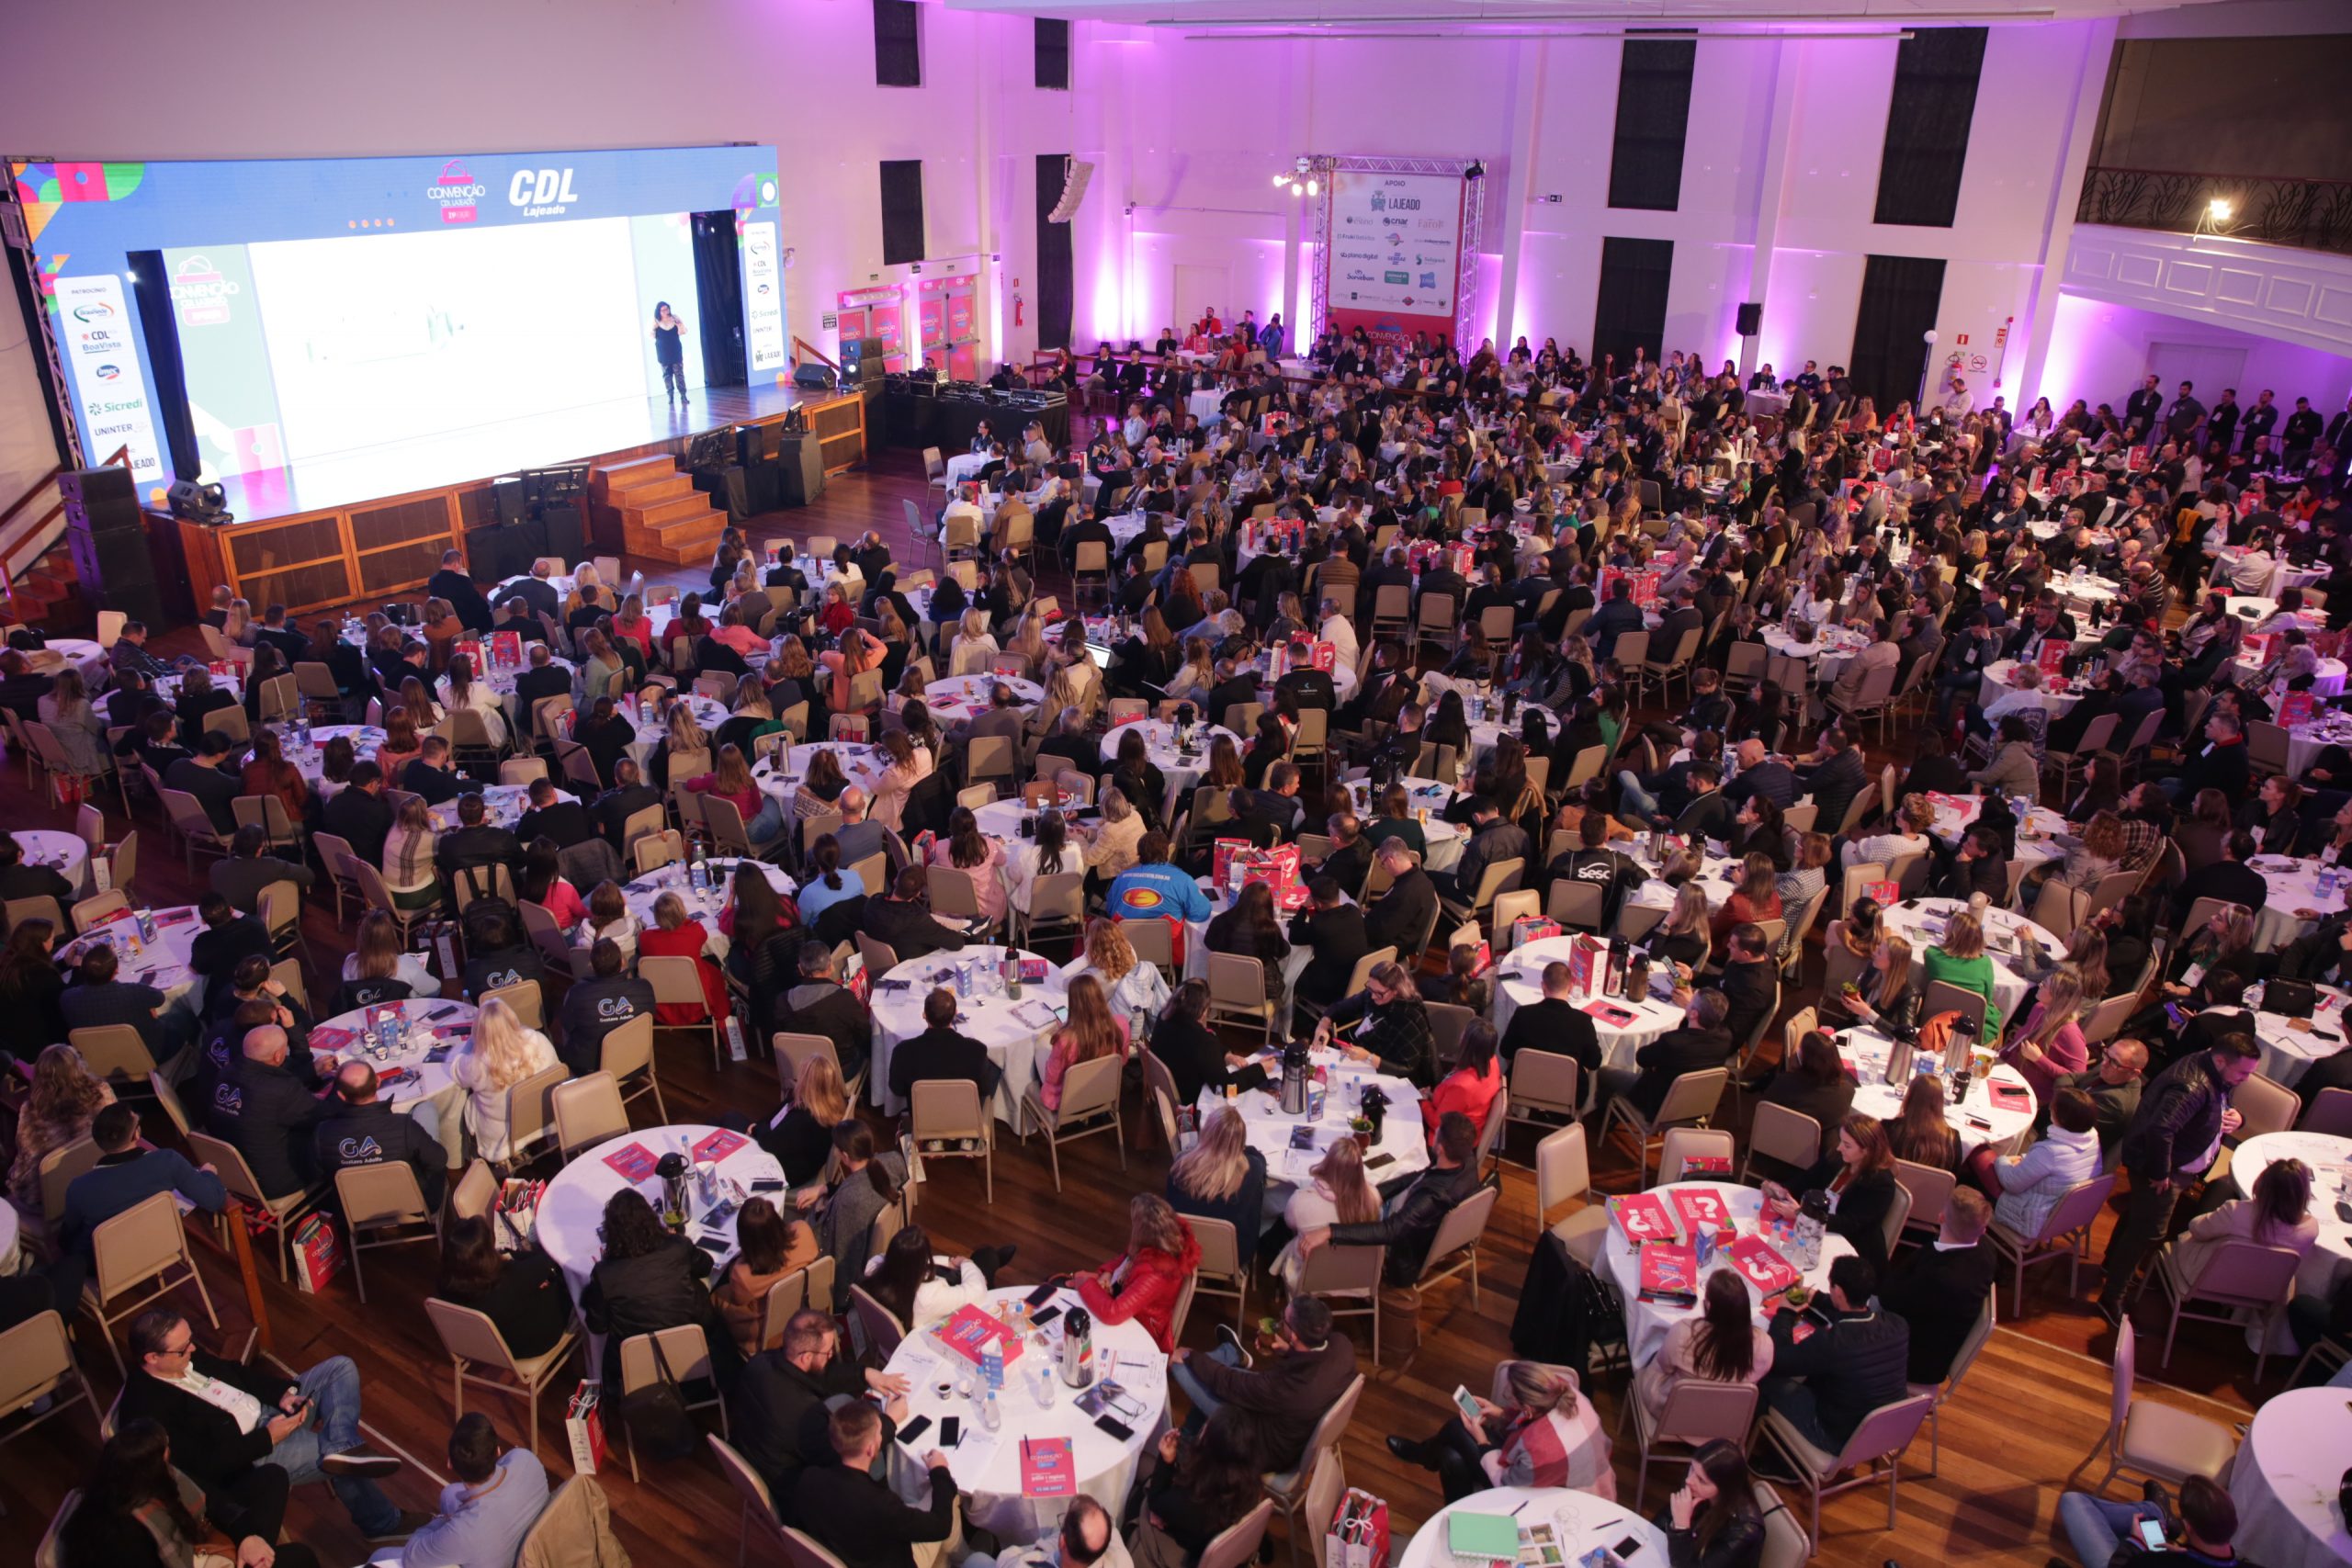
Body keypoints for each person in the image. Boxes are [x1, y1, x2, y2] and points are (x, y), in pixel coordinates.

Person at [117, 1309, 416, 1544]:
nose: (193, 1348)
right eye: (183, 1348)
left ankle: (342, 1443)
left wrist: (282, 1394)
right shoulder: (147, 1412)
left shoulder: (184, 1355)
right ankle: (382, 1523)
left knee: (340, 1367)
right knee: (332, 1457)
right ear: (152, 1358)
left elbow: (236, 1373)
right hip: (253, 1452)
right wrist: (268, 1438)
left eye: (191, 1340)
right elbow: (203, 1466)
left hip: (267, 1413)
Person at [2096, 1033, 2262, 1322]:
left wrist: (2239, 1118)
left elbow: (2219, 1103)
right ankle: (2112, 1297)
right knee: (2148, 1233)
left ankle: (2112, 1265)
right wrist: (2161, 1173)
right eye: (2243, 1072)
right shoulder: (2193, 1086)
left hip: (2165, 1165)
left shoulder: (2212, 1068)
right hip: (2161, 1171)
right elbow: (2161, 1130)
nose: (2246, 1079)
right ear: (2221, 1060)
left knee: (2138, 1216)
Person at [58, 1416, 324, 1568]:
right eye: (166, 1453)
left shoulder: (124, 1480)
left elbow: (212, 1498)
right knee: (300, 1557)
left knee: (272, 1477)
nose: (170, 1455)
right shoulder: (125, 1537)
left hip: (193, 1548)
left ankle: (257, 1556)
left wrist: (247, 1538)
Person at [1165, 1294, 1356, 1475]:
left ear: (1295, 1336)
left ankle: (1230, 1354)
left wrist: (1190, 1356)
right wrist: (1289, 1351)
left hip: (1263, 1447)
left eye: (1283, 1320)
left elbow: (1230, 1383)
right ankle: (1230, 1354)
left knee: (1182, 1368)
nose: (1279, 1324)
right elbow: (1311, 1365)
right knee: (1208, 1376)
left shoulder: (1287, 1387)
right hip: (1294, 1426)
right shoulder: (1343, 1346)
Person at [1385, 1360, 1614, 1504]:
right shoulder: (1563, 1390)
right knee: (1450, 1457)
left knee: (1454, 1435)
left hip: (1557, 1500)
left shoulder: (1538, 1450)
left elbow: (1507, 1484)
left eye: (1509, 1396)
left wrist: (1482, 1440)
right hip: (1566, 1474)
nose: (1506, 1397)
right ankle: (1429, 1458)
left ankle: (1425, 1456)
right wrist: (1501, 1412)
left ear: (1527, 1408)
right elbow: (1536, 1419)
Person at [1298, 1110, 1484, 1285]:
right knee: (1383, 1177)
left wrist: (1330, 1231)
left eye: (1437, 1132)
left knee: (1338, 1208)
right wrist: (1376, 1193)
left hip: (1402, 1259)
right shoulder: (1466, 1159)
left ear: (1440, 1148)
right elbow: (1420, 1176)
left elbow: (1390, 1230)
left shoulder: (1431, 1198)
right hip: (1419, 1225)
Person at [581, 1187, 737, 1391]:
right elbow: (706, 1266)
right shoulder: (677, 1247)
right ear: (651, 1220)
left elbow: (597, 1326)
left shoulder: (604, 1273)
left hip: (639, 1368)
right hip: (693, 1354)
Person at [1756, 1254, 1909, 1457]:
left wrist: (1785, 1313)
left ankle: (1773, 1456)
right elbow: (1854, 1316)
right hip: (1885, 1430)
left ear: (1838, 1291)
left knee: (1764, 1375)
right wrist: (1818, 1298)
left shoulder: (1834, 1343)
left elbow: (1778, 1359)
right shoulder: (1898, 1325)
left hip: (1835, 1437)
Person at [795, 1401, 959, 1568]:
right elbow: (941, 1526)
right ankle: (963, 1557)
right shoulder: (881, 1504)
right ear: (871, 1448)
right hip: (895, 1561)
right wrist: (939, 1470)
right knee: (947, 1490)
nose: (882, 1436)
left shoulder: (808, 1478)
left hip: (850, 1552)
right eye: (880, 1433)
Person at [61, 1101, 229, 1264]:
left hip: (105, 1266)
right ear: (136, 1134)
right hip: (159, 1249)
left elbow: (68, 1235)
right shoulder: (167, 1161)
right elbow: (214, 1199)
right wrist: (208, 1173)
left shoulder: (78, 1188)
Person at [1878, 1187, 1994, 1384]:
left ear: (1941, 1218)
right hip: (1932, 1337)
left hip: (1912, 1360)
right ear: (1982, 1230)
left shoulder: (1939, 1278)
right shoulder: (1987, 1250)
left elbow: (1887, 1299)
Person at [1764, 1111, 1902, 1275]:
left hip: (1851, 1249)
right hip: (1817, 1231)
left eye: (1847, 1145)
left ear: (1867, 1150)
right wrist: (1783, 1189)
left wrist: (1802, 1215)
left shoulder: (1880, 1183)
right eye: (1841, 1141)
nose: (1839, 1147)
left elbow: (1850, 1223)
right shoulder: (1838, 1157)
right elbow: (1808, 1178)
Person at [1635, 1269, 1774, 1424]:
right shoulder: (1765, 1344)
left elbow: (1664, 1366)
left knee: (1651, 1353)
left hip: (1674, 1414)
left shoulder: (1683, 1333)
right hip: (1725, 1420)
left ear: (1708, 1305)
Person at [2160, 1153, 2317, 1290]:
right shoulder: (2310, 1229)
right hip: (2261, 1287)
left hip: (2209, 1278)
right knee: (2222, 1191)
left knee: (2219, 1189)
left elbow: (2197, 1229)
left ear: (2263, 1185)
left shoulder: (2237, 1212)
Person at [313, 1060, 447, 1210]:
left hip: (356, 1208)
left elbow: (320, 1174)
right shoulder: (404, 1126)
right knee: (426, 1110)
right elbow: (439, 1161)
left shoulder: (322, 1133)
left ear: (341, 1096)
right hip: (415, 1204)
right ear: (378, 1081)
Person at [1074, 1192, 1200, 1351]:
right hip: (1127, 1308)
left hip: (1141, 1331)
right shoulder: (1159, 1242)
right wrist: (1108, 1273)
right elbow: (1126, 1257)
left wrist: (1085, 1283)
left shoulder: (1157, 1273)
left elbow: (1113, 1313)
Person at [435, 1216, 574, 1359]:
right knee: (562, 1279)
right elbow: (549, 1259)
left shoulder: (445, 1284)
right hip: (534, 1343)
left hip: (493, 1346)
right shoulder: (513, 1279)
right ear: (486, 1256)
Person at [805, 1121, 910, 1309]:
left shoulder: (850, 1200)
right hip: (886, 1247)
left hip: (836, 1262)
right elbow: (869, 1185)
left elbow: (843, 1258)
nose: (835, 1154)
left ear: (845, 1156)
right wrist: (827, 1189)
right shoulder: (894, 1160)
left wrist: (819, 1209)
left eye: (837, 1150)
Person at [450, 997, 560, 1166]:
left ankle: (470, 1160)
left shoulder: (476, 1064)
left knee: (467, 1102)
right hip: (542, 1113)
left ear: (479, 1031)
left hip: (503, 1129)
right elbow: (556, 1070)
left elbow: (456, 1071)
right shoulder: (538, 1040)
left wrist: (473, 1042)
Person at [710, 1195, 821, 1358]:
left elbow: (739, 1300)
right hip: (806, 1303)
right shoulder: (803, 1230)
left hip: (772, 1327)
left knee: (716, 1295)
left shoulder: (742, 1274)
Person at [2055, 1472, 2242, 1568]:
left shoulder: (2153, 1563)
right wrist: (2186, 1554)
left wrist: (2135, 1543)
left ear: (2188, 1526)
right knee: (2148, 1527)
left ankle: (2157, 1511)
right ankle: (2157, 1511)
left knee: (2073, 1501)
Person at [861, 1224, 1014, 1333]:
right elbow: (978, 1291)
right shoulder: (926, 1298)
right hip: (938, 1330)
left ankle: (992, 1260)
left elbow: (907, 1262)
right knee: (985, 1261)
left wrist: (950, 1261)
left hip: (886, 1342)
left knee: (981, 1261)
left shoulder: (873, 1268)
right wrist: (966, 1262)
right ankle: (993, 1261)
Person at [1166, 1104, 1269, 1259]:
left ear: (1205, 1133)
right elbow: (1259, 1158)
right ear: (1240, 1142)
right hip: (1232, 1255)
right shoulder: (1252, 1169)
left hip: (1184, 1247)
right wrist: (1239, 1147)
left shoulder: (1180, 1166)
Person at [1313, 960, 1436, 1089]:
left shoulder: (1409, 1019)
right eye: (1370, 989)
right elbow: (1340, 1007)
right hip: (1362, 1060)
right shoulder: (1373, 994)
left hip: (1392, 1079)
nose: (1372, 997)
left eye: (1379, 993)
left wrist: (1368, 1057)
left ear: (1395, 991)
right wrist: (1323, 1025)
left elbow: (1407, 1068)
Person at [1656, 1441, 1767, 1568]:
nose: (1689, 1480)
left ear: (1724, 1486)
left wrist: (1681, 1526)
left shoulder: (1745, 1530)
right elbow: (1665, 1517)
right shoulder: (1697, 1480)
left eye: (1701, 1480)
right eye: (1692, 1468)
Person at [887, 987, 1003, 1106]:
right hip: (965, 1114)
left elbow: (897, 1089)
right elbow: (985, 1089)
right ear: (955, 1014)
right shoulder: (977, 1051)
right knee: (996, 1067)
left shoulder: (903, 1051)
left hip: (923, 1115)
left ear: (924, 1015)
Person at [1498, 959, 1601, 1074]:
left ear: (1543, 986)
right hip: (1566, 1085)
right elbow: (1594, 1062)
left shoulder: (1523, 1014)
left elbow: (1505, 1051)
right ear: (1571, 987)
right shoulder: (1583, 1022)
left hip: (1524, 1082)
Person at [1429, 1020, 1505, 1149]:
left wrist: (1423, 1102)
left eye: (1464, 1034)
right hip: (1466, 1130)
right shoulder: (1491, 1062)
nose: (1461, 1035)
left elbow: (1439, 1124)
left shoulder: (1462, 1086)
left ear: (1467, 1044)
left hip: (1449, 1144)